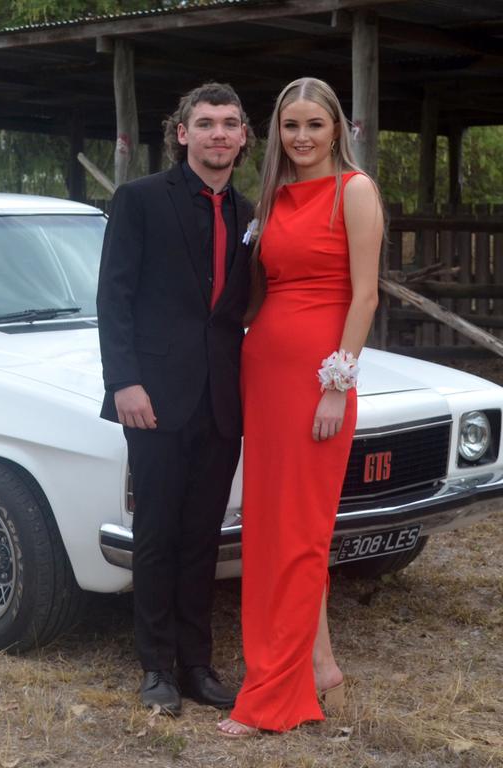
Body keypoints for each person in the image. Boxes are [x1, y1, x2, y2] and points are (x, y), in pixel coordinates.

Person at [217, 77, 383, 737]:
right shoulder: (274, 199)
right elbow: (257, 292)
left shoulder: (355, 190)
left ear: (337, 127)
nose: (303, 137)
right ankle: (321, 669)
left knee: (300, 535)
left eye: (315, 124)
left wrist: (335, 385)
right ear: (278, 133)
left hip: (318, 380)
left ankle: (273, 696)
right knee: (270, 531)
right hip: (264, 373)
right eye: (292, 126)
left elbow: (365, 297)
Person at [97, 82, 256, 715]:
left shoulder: (250, 214)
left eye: (230, 124)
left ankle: (197, 664)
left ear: (244, 137)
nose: (219, 134)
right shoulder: (138, 200)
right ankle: (156, 667)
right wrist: (124, 382)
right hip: (154, 397)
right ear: (182, 132)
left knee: (203, 538)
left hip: (222, 399)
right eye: (207, 123)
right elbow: (115, 298)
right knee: (158, 534)